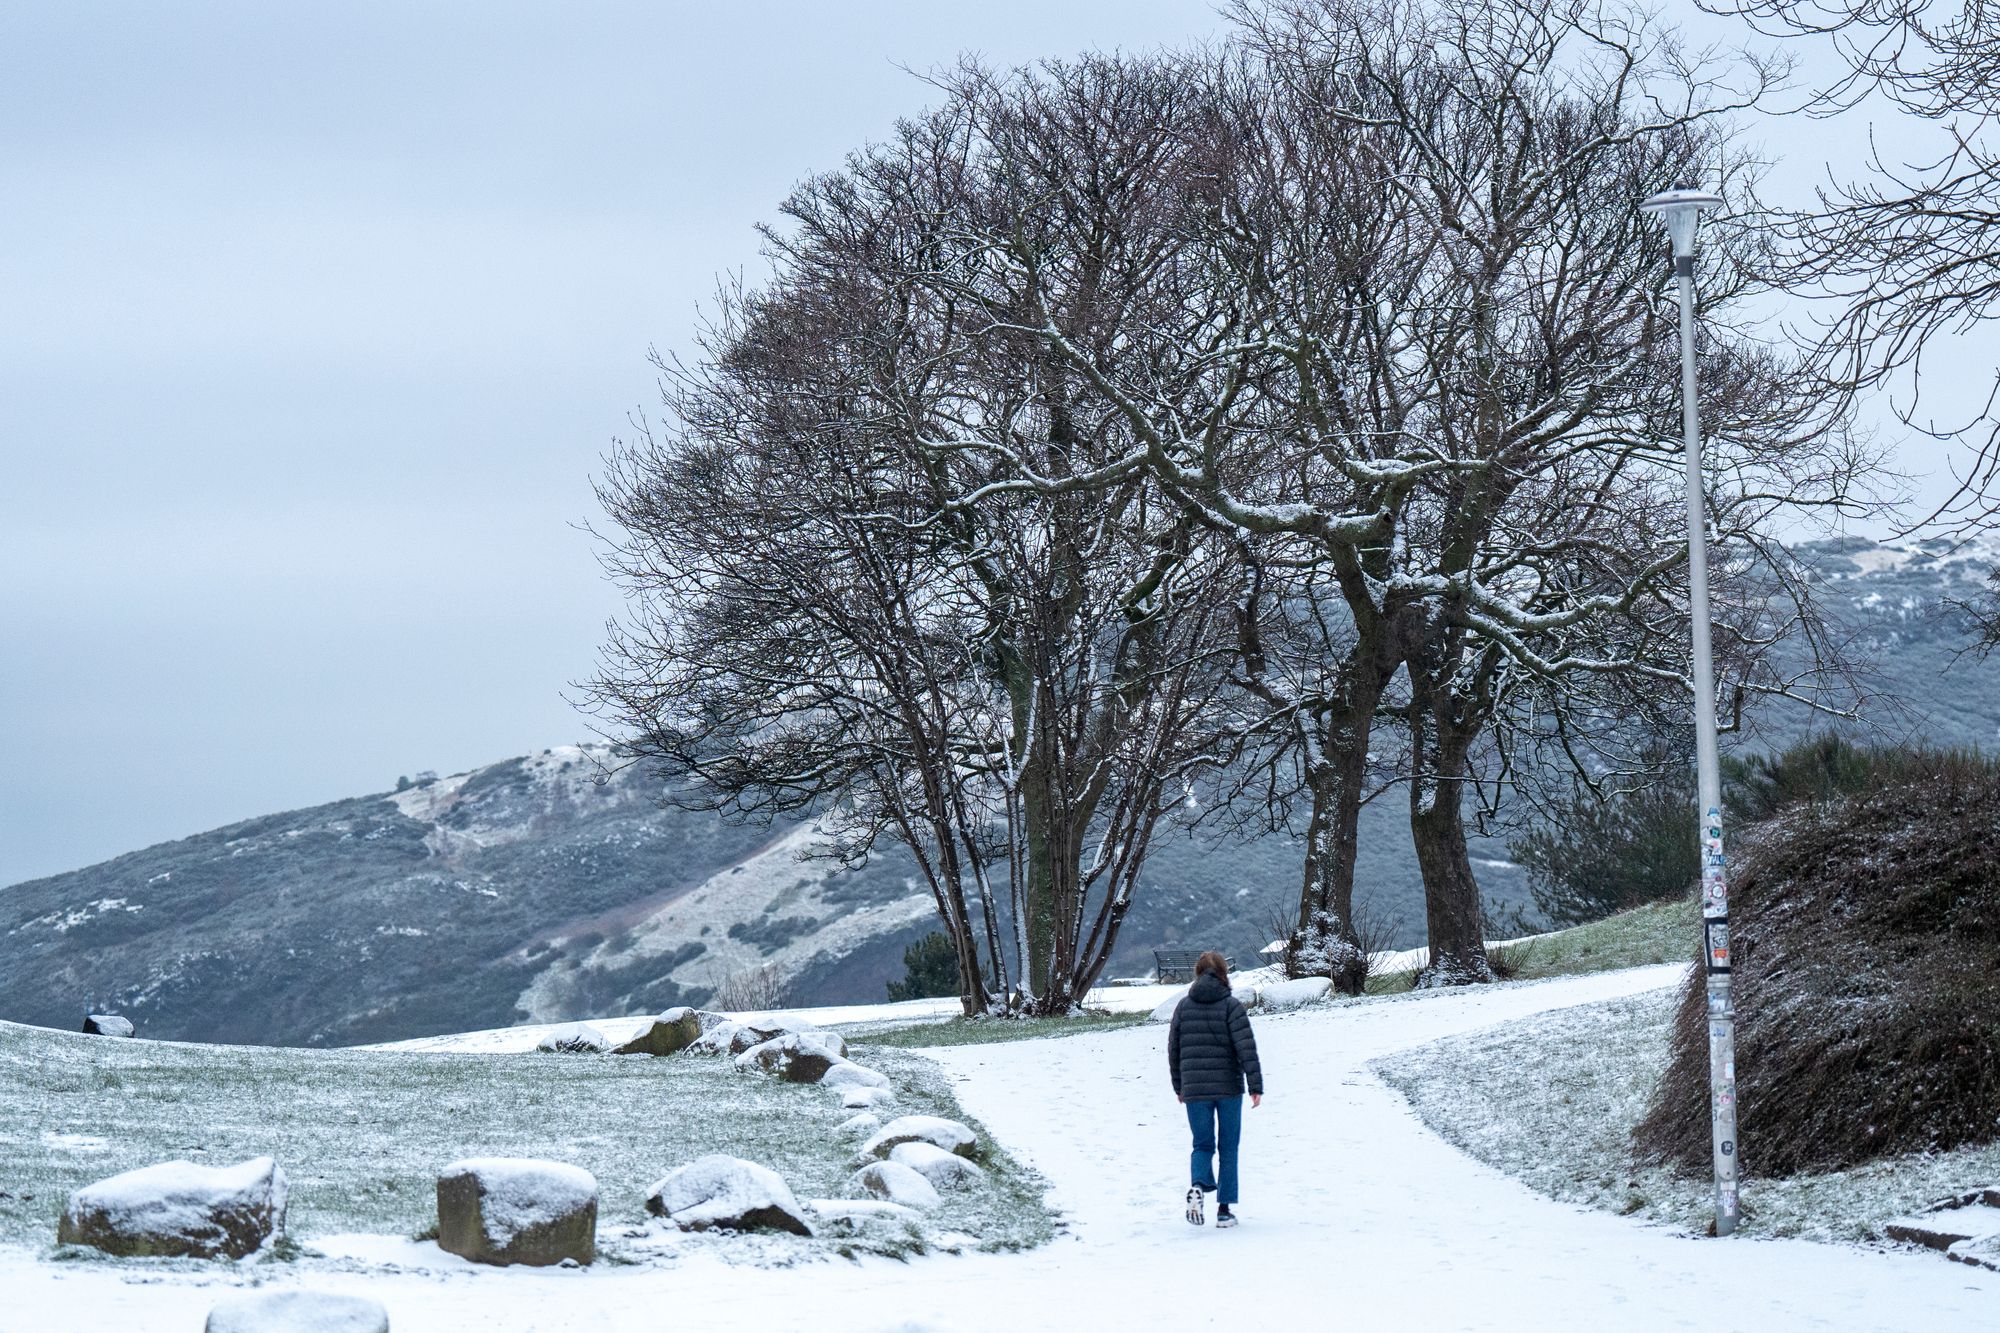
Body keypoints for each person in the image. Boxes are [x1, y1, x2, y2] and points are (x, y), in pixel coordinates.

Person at [1166, 950, 1263, 1228]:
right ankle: (1224, 1210)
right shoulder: (1231, 1006)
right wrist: (1255, 1085)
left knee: (1202, 1144)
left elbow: (1174, 1050)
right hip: (1228, 1088)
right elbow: (1246, 1048)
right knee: (1228, 1147)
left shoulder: (1183, 1007)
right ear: (1223, 973)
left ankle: (1197, 1186)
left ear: (1198, 973)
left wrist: (1179, 1085)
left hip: (1195, 1088)